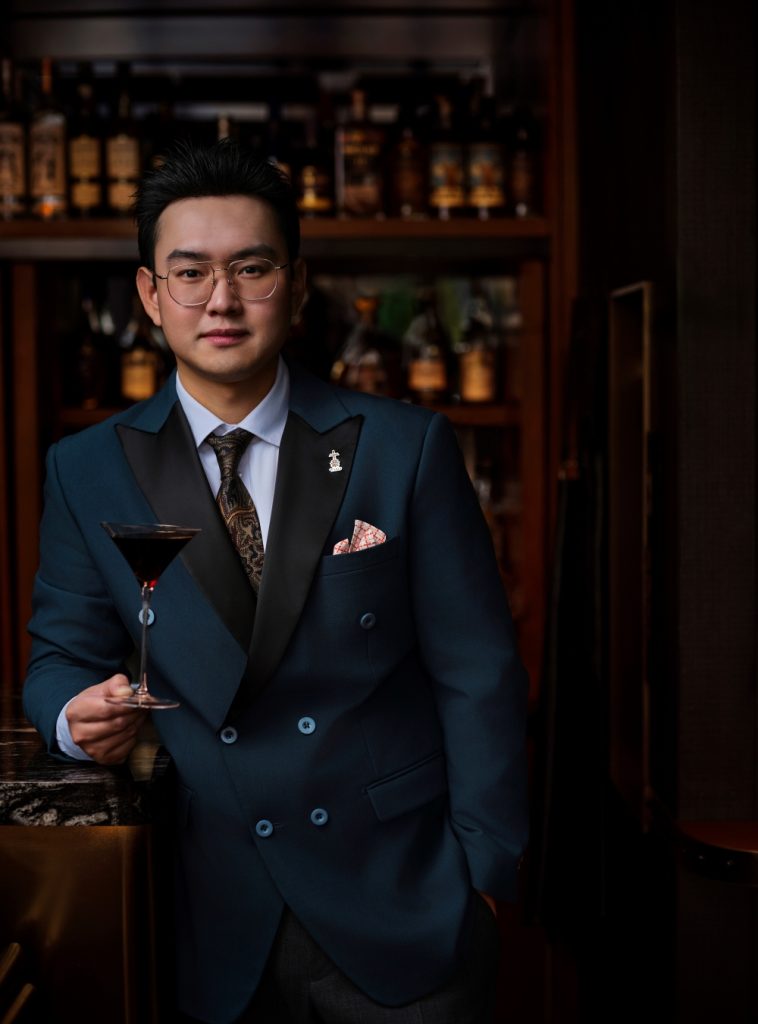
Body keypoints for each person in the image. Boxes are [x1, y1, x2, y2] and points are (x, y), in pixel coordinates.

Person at [23, 140, 528, 1024]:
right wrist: (73, 713)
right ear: (150, 294)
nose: (221, 300)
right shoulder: (87, 469)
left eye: (250, 269)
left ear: (295, 286)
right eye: (190, 273)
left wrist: (484, 880)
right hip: (213, 909)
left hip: (401, 902)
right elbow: (58, 654)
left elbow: (478, 671)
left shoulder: (403, 446)